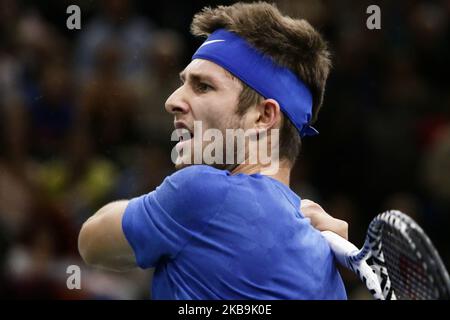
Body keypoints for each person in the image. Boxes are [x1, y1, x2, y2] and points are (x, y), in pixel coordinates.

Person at [78, 2, 348, 299]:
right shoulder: (325, 265)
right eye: (184, 83)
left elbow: (91, 242)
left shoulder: (201, 192)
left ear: (263, 116)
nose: (172, 100)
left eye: (203, 86)